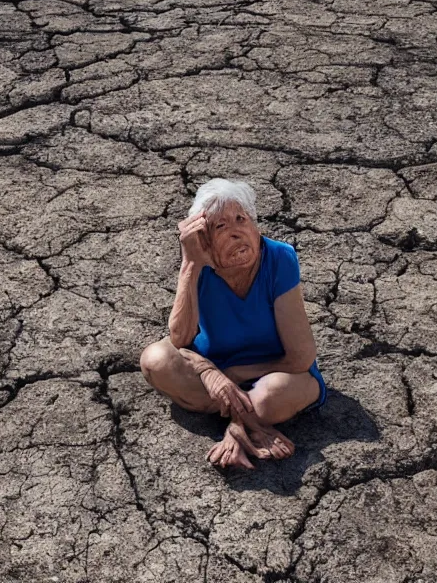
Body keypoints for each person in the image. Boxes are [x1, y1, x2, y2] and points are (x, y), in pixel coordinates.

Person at [139, 179, 326, 469]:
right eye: (221, 227)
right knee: (155, 360)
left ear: (255, 226)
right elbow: (180, 338)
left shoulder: (279, 259)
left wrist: (230, 375)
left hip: (280, 371)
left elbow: (301, 357)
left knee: (267, 398)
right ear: (204, 241)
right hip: (213, 369)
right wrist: (190, 264)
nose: (237, 232)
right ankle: (249, 417)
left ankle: (238, 429)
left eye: (242, 219)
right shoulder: (199, 262)